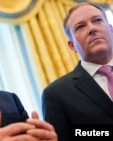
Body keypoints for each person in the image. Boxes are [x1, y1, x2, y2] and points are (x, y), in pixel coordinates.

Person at [42, 2, 113, 141]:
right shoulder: (56, 94)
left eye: (97, 20)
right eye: (80, 26)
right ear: (72, 45)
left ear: (111, 30)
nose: (92, 28)